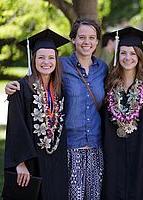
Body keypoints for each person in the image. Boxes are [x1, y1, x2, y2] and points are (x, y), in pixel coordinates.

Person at [5, 18, 108, 200]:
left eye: (92, 37)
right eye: (81, 37)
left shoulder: (103, 69)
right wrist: (13, 86)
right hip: (68, 148)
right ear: (73, 40)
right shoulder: (62, 64)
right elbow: (39, 76)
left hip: (95, 147)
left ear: (97, 41)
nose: (87, 42)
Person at [2, 29, 69, 200]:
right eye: (41, 57)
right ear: (33, 59)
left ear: (56, 60)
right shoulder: (21, 88)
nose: (46, 62)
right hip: (31, 162)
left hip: (56, 162)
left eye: (51, 57)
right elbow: (16, 127)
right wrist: (20, 163)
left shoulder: (61, 90)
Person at [102, 26, 143, 200]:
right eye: (123, 53)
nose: (128, 58)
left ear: (139, 56)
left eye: (133, 53)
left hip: (141, 154)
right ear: (117, 55)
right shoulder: (108, 83)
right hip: (113, 154)